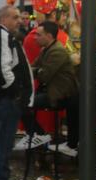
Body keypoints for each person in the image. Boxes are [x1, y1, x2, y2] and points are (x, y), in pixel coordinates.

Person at [0, 5, 34, 180]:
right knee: (4, 140)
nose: (19, 21)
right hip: (7, 99)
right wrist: (14, 91)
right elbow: (3, 67)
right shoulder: (1, 36)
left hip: (4, 97)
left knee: (3, 139)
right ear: (4, 18)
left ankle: (0, 177)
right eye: (15, 17)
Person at [14, 22, 79, 152]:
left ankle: (39, 135)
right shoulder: (46, 49)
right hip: (52, 92)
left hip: (61, 96)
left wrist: (37, 71)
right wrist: (37, 70)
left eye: (38, 35)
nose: (34, 37)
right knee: (19, 101)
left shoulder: (57, 51)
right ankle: (38, 134)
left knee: (20, 103)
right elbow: (31, 68)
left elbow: (43, 76)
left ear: (49, 36)